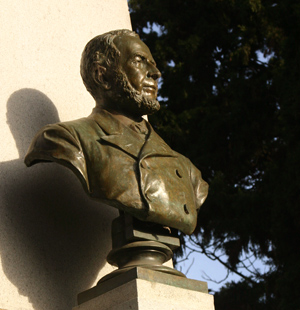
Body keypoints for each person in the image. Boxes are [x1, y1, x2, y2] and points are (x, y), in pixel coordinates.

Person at [25, 30, 208, 235]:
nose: (155, 73)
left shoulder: (188, 170)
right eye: (140, 62)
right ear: (101, 76)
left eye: (153, 63)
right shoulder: (66, 139)